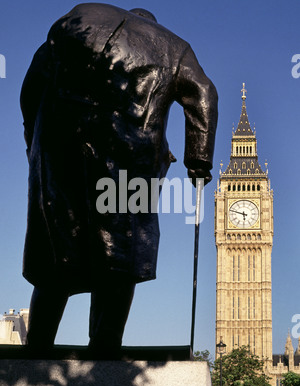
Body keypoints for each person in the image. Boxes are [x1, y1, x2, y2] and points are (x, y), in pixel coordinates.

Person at [20, 3, 218, 357]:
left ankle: (36, 348)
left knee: (57, 247)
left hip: (58, 146)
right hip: (128, 157)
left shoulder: (76, 19)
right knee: (120, 250)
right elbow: (204, 93)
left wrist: (34, 142)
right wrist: (198, 161)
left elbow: (31, 86)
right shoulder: (174, 46)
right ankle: (106, 348)